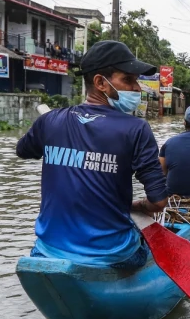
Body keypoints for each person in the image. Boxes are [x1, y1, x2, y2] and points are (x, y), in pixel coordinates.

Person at [15, 40, 170, 269]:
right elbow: (159, 202)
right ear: (100, 83)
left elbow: (23, 151)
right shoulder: (136, 129)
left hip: (47, 250)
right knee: (147, 245)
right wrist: (136, 206)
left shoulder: (50, 121)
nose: (137, 88)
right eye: (128, 80)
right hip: (113, 255)